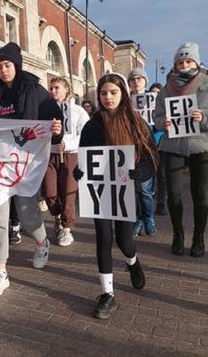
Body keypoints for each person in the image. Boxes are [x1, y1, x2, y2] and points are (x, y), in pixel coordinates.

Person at [0, 42, 62, 297]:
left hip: (26, 165)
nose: (3, 70)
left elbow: (54, 120)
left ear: (16, 66)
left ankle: (42, 242)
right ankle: (0, 271)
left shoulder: (34, 90)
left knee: (27, 211)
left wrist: (56, 130)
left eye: (7, 65)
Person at [75, 73, 157, 319]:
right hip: (99, 191)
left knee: (124, 241)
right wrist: (79, 171)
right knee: (103, 238)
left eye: (113, 92)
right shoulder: (92, 125)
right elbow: (84, 157)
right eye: (103, 93)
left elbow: (151, 158)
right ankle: (107, 294)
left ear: (122, 94)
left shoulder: (135, 122)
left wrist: (140, 171)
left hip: (124, 190)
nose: (108, 97)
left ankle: (133, 263)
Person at [154, 43, 208, 257]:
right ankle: (178, 235)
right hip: (173, 145)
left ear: (196, 61)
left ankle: (198, 237)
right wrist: (162, 123)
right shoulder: (166, 88)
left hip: (201, 145)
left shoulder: (206, 83)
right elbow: (157, 116)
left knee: (201, 194)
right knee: (174, 194)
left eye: (188, 61)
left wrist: (203, 117)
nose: (184, 65)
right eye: (180, 61)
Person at [42, 77, 89, 246]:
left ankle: (66, 228)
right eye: (51, 88)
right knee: (49, 191)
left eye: (56, 88)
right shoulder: (44, 111)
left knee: (68, 192)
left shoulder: (78, 111)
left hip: (70, 155)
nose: (53, 91)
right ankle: (57, 216)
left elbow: (84, 133)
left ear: (66, 89)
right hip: (50, 154)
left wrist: (67, 143)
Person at [127, 68, 156, 236]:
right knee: (132, 190)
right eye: (132, 79)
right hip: (130, 149)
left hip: (147, 151)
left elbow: (159, 124)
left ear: (145, 81)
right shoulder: (125, 102)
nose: (136, 81)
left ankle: (148, 218)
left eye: (139, 78)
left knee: (145, 190)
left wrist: (157, 139)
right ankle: (137, 220)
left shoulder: (154, 101)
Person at [149, 83, 167, 215]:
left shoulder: (165, 108)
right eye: (153, 93)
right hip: (147, 147)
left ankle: (161, 203)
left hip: (161, 145)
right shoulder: (143, 108)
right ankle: (149, 201)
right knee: (149, 177)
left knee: (162, 176)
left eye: (158, 93)